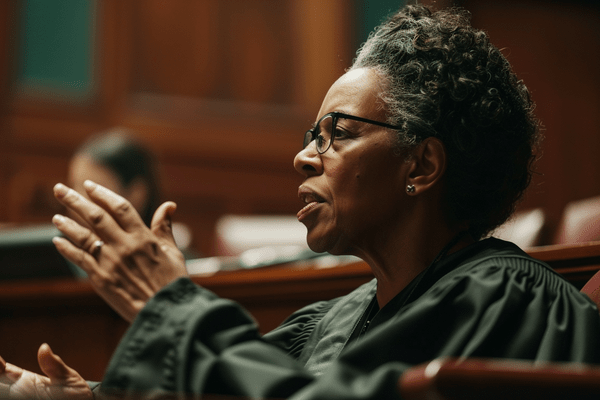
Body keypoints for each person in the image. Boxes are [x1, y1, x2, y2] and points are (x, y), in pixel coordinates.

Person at [2, 4, 600, 399]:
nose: (304, 157)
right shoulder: (331, 320)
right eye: (311, 135)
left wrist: (174, 303)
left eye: (338, 132)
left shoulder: (509, 299)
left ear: (421, 165)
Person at [67, 128, 161, 228]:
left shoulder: (171, 242)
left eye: (91, 191)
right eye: (74, 186)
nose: (74, 200)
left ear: (137, 194)